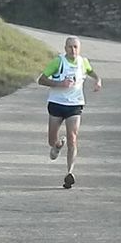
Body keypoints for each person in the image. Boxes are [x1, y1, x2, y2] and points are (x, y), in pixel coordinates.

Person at [38, 36, 102, 189]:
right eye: (70, 47)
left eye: (76, 47)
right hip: (56, 103)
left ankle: (70, 173)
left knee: (73, 137)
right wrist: (59, 83)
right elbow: (41, 79)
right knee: (52, 140)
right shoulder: (58, 62)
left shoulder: (83, 62)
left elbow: (92, 72)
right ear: (65, 48)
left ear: (79, 49)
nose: (73, 50)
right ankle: (58, 144)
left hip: (75, 104)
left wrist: (98, 80)